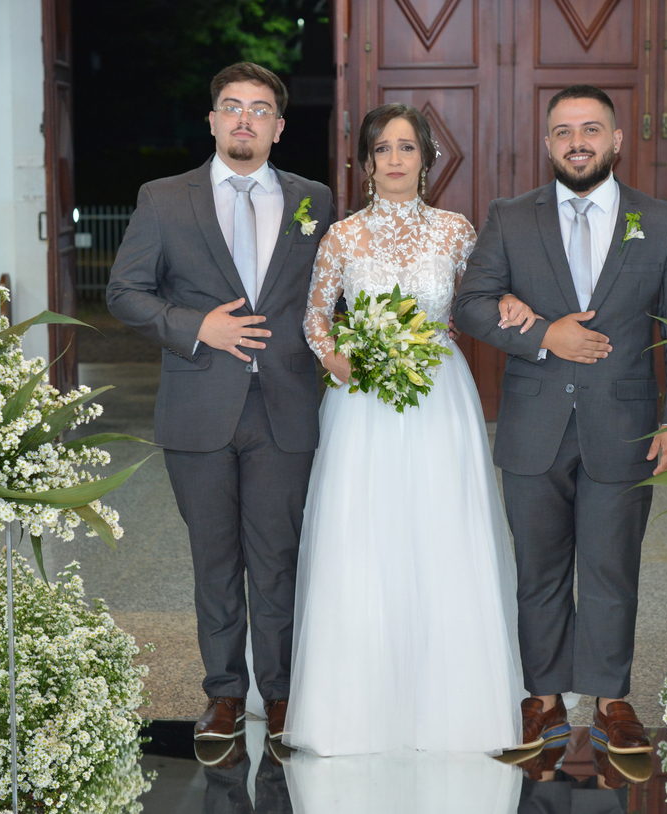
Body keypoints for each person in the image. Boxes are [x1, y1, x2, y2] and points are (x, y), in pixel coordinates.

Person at [453, 84, 667, 755]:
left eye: (592, 129)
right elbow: (471, 304)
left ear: (617, 140)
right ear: (547, 143)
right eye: (564, 131)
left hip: (624, 428)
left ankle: (612, 700)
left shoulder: (661, 221)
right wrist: (541, 335)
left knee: (611, 567)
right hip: (534, 426)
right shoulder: (511, 217)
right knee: (538, 570)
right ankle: (543, 697)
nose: (578, 141)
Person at [282, 103, 524, 756]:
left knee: (443, 534)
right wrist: (332, 354)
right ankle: (354, 708)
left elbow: (479, 299)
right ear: (365, 164)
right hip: (361, 403)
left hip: (440, 399)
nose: (395, 159)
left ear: (426, 160)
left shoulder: (455, 231)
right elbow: (314, 317)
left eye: (407, 148)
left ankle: (455, 706)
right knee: (362, 535)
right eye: (382, 148)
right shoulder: (341, 237)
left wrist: (508, 301)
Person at [105, 62, 334, 742]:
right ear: (211, 120)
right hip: (199, 408)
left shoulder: (314, 200)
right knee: (214, 559)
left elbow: (335, 294)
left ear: (279, 126)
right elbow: (125, 292)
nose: (244, 119)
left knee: (277, 559)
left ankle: (285, 693)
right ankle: (225, 694)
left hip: (286, 407)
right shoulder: (164, 198)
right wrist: (195, 326)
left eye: (259, 109)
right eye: (231, 107)